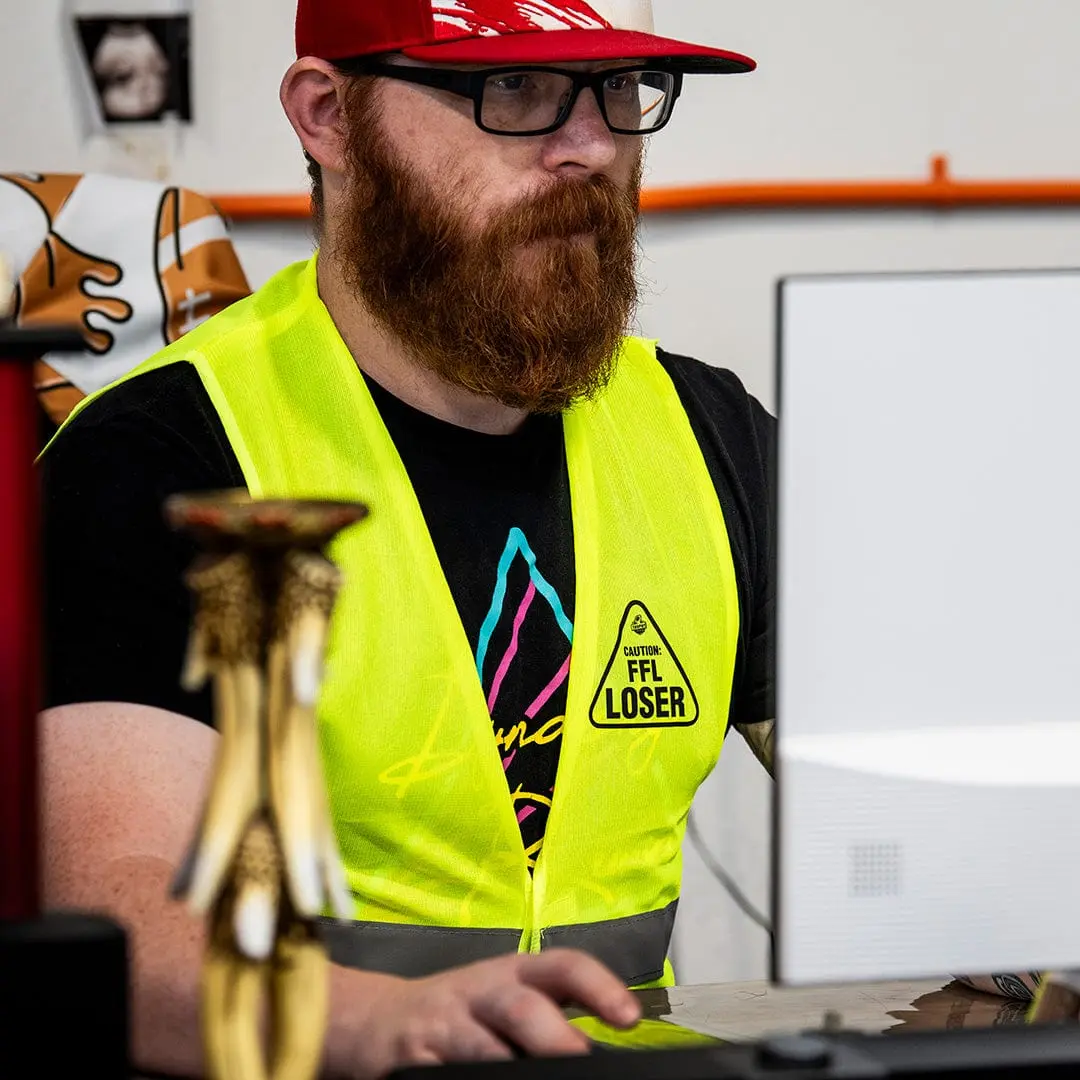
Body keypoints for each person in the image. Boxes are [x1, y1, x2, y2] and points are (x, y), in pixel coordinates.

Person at [40, 1, 778, 1075]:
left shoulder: (710, 437)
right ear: (328, 116)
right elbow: (113, 917)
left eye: (620, 88)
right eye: (513, 89)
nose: (591, 146)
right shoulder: (162, 459)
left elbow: (893, 789)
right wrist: (377, 1023)